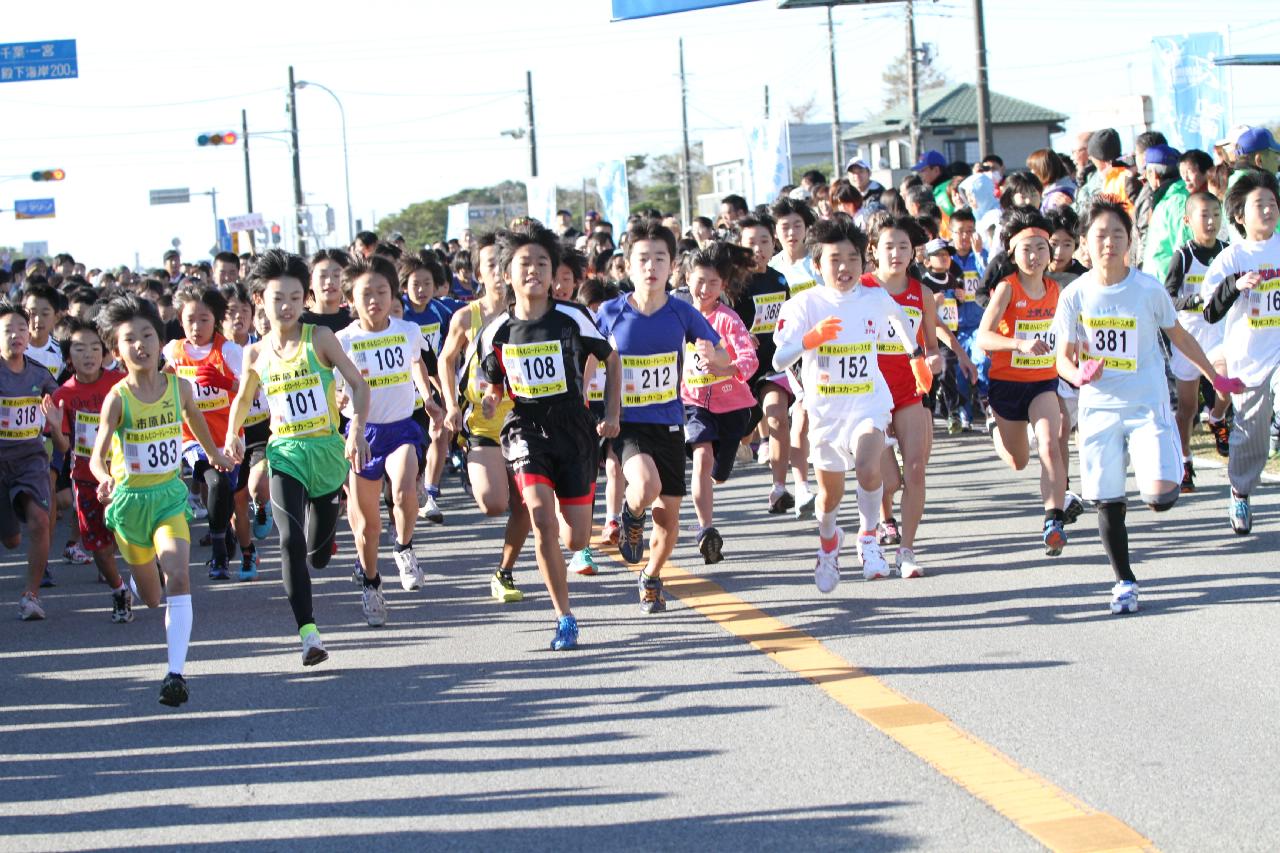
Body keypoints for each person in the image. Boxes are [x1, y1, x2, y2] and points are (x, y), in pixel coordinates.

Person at [1052, 199, 1243, 614]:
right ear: (1084, 243)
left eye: (1117, 236)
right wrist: (1077, 375)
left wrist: (1214, 376)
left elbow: (1181, 338)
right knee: (1108, 499)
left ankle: (1172, 463)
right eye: (1100, 236)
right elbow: (1062, 357)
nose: (1109, 244)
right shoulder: (1075, 295)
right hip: (1099, 408)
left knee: (1159, 499)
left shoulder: (1147, 288)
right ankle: (1124, 581)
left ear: (1130, 242)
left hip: (1146, 406)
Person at [224, 250, 371, 666]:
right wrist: (233, 435)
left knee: (316, 557)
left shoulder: (320, 338)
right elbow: (242, 400)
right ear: (260, 301)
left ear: (304, 300)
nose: (285, 306)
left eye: (293, 298)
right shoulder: (255, 354)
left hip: (325, 451)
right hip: (284, 452)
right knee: (290, 543)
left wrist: (355, 428)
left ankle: (330, 519)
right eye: (276, 299)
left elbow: (359, 387)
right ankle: (309, 633)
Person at [479, 224, 620, 650]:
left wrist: (612, 412)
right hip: (525, 428)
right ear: (507, 274)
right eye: (525, 263)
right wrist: (490, 400)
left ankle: (568, 525)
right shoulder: (495, 330)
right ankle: (564, 617)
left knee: (575, 538)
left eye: (543, 263)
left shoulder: (573, 316)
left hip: (574, 428)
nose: (535, 271)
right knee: (540, 517)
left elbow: (612, 360)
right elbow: (494, 383)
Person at [90, 294, 236, 706]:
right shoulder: (117, 398)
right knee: (153, 598)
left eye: (148, 335)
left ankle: (176, 674)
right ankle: (137, 583)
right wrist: (104, 480)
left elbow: (195, 421)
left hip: (170, 497)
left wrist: (215, 453)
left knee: (180, 575)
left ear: (160, 339)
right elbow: (98, 456)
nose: (141, 345)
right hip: (130, 504)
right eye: (130, 339)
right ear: (116, 350)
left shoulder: (180, 387)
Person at [773, 217, 927, 591]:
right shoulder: (804, 304)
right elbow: (778, 361)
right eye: (834, 259)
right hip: (826, 413)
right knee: (829, 496)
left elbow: (902, 320)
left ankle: (868, 538)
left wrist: (916, 356)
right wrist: (810, 339)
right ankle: (829, 544)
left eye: (853, 258)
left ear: (863, 261)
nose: (844, 267)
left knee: (867, 466)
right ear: (817, 264)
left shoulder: (874, 296)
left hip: (868, 404)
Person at [596, 220, 731, 613]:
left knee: (669, 524)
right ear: (627, 265)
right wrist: (594, 407)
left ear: (672, 265)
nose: (651, 266)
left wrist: (714, 358)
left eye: (659, 258)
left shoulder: (681, 312)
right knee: (645, 484)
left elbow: (722, 356)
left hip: (670, 423)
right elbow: (587, 359)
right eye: (643, 259)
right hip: (627, 424)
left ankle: (651, 576)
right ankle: (630, 513)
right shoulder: (611, 313)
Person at [335, 254, 441, 624]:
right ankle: (371, 584)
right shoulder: (343, 340)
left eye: (382, 291)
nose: (375, 300)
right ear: (351, 298)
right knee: (367, 527)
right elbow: (334, 390)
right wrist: (340, 399)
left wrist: (427, 399)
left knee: (404, 489)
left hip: (400, 428)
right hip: (362, 435)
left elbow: (416, 363)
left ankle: (404, 547)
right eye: (366, 293)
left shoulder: (407, 331)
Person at [439, 233, 532, 604]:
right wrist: (450, 405)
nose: (496, 271)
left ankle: (504, 572)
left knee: (526, 503)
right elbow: (446, 360)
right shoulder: (467, 317)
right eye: (489, 264)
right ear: (478, 271)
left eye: (502, 263)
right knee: (494, 503)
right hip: (481, 421)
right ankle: (476, 470)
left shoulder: (528, 313)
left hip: (522, 420)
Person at [976, 208, 1071, 554]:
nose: (1035, 256)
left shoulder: (1057, 291)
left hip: (1043, 381)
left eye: (1041, 248)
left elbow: (1070, 334)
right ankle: (993, 427)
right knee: (1019, 461)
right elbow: (984, 338)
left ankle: (1053, 521)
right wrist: (1019, 343)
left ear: (1051, 252)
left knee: (1050, 443)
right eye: (1026, 249)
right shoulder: (1006, 289)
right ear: (1013, 254)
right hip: (1006, 384)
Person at [1200, 171, 1280, 533]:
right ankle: (1240, 493)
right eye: (1258, 205)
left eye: (1272, 204)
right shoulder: (1232, 257)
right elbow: (1209, 309)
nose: (1267, 210)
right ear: (1239, 216)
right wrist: (1236, 285)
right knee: (1251, 439)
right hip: (1248, 360)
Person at [868, 216, 943, 578]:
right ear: (873, 251)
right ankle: (880, 519)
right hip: (869, 396)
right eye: (888, 246)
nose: (897, 253)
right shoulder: (862, 290)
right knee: (889, 480)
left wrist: (933, 358)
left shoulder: (922, 294)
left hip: (910, 392)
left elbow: (930, 345)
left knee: (915, 469)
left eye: (903, 247)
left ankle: (907, 550)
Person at [47, 318, 130, 621]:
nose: (89, 354)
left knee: (131, 534)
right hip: (85, 480)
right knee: (98, 544)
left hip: (125, 475)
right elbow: (64, 448)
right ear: (69, 358)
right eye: (80, 349)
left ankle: (149, 567)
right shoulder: (62, 395)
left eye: (95, 347)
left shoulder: (120, 383)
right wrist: (56, 428)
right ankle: (119, 590)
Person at [680, 243, 758, 564]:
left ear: (723, 285)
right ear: (687, 279)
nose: (704, 289)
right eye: (699, 281)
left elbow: (749, 360)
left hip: (732, 408)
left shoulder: (729, 320)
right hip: (693, 403)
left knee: (719, 472)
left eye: (713, 283)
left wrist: (725, 367)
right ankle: (706, 530)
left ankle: (719, 475)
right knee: (701, 457)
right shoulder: (677, 315)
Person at [162, 284, 245, 581]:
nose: (196, 327)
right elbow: (164, 379)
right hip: (191, 438)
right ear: (180, 321)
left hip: (229, 435)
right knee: (216, 480)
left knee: (227, 493)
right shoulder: (173, 350)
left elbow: (255, 393)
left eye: (204, 319)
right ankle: (219, 552)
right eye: (190, 320)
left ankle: (225, 533)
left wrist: (227, 383)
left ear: (217, 319)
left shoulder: (230, 351)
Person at [1164, 191, 1232, 491]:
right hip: (1187, 338)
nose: (1211, 222)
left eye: (1216, 215)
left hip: (1217, 333)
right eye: (1204, 215)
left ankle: (1217, 417)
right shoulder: (1184, 255)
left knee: (1224, 378)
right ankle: (1185, 460)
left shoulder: (1228, 252)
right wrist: (1193, 300)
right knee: (1187, 407)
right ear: (1188, 220)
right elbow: (1168, 297)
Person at [733, 216, 798, 515]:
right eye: (751, 243)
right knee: (739, 434)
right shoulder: (733, 285)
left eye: (764, 241)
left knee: (777, 418)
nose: (758, 248)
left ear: (773, 244)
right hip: (741, 371)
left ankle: (779, 489)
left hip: (774, 365)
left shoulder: (779, 279)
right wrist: (742, 335)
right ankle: (740, 442)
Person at [1, 302, 59, 620]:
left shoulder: (39, 373)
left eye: (21, 329)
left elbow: (64, 401)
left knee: (39, 520)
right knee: (11, 540)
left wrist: (58, 417)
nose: (16, 335)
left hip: (30, 459)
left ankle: (31, 596)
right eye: (8, 330)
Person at [302, 249, 353, 333]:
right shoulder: (300, 321)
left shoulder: (355, 320)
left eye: (337, 275)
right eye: (323, 275)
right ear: (310, 281)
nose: (329, 281)